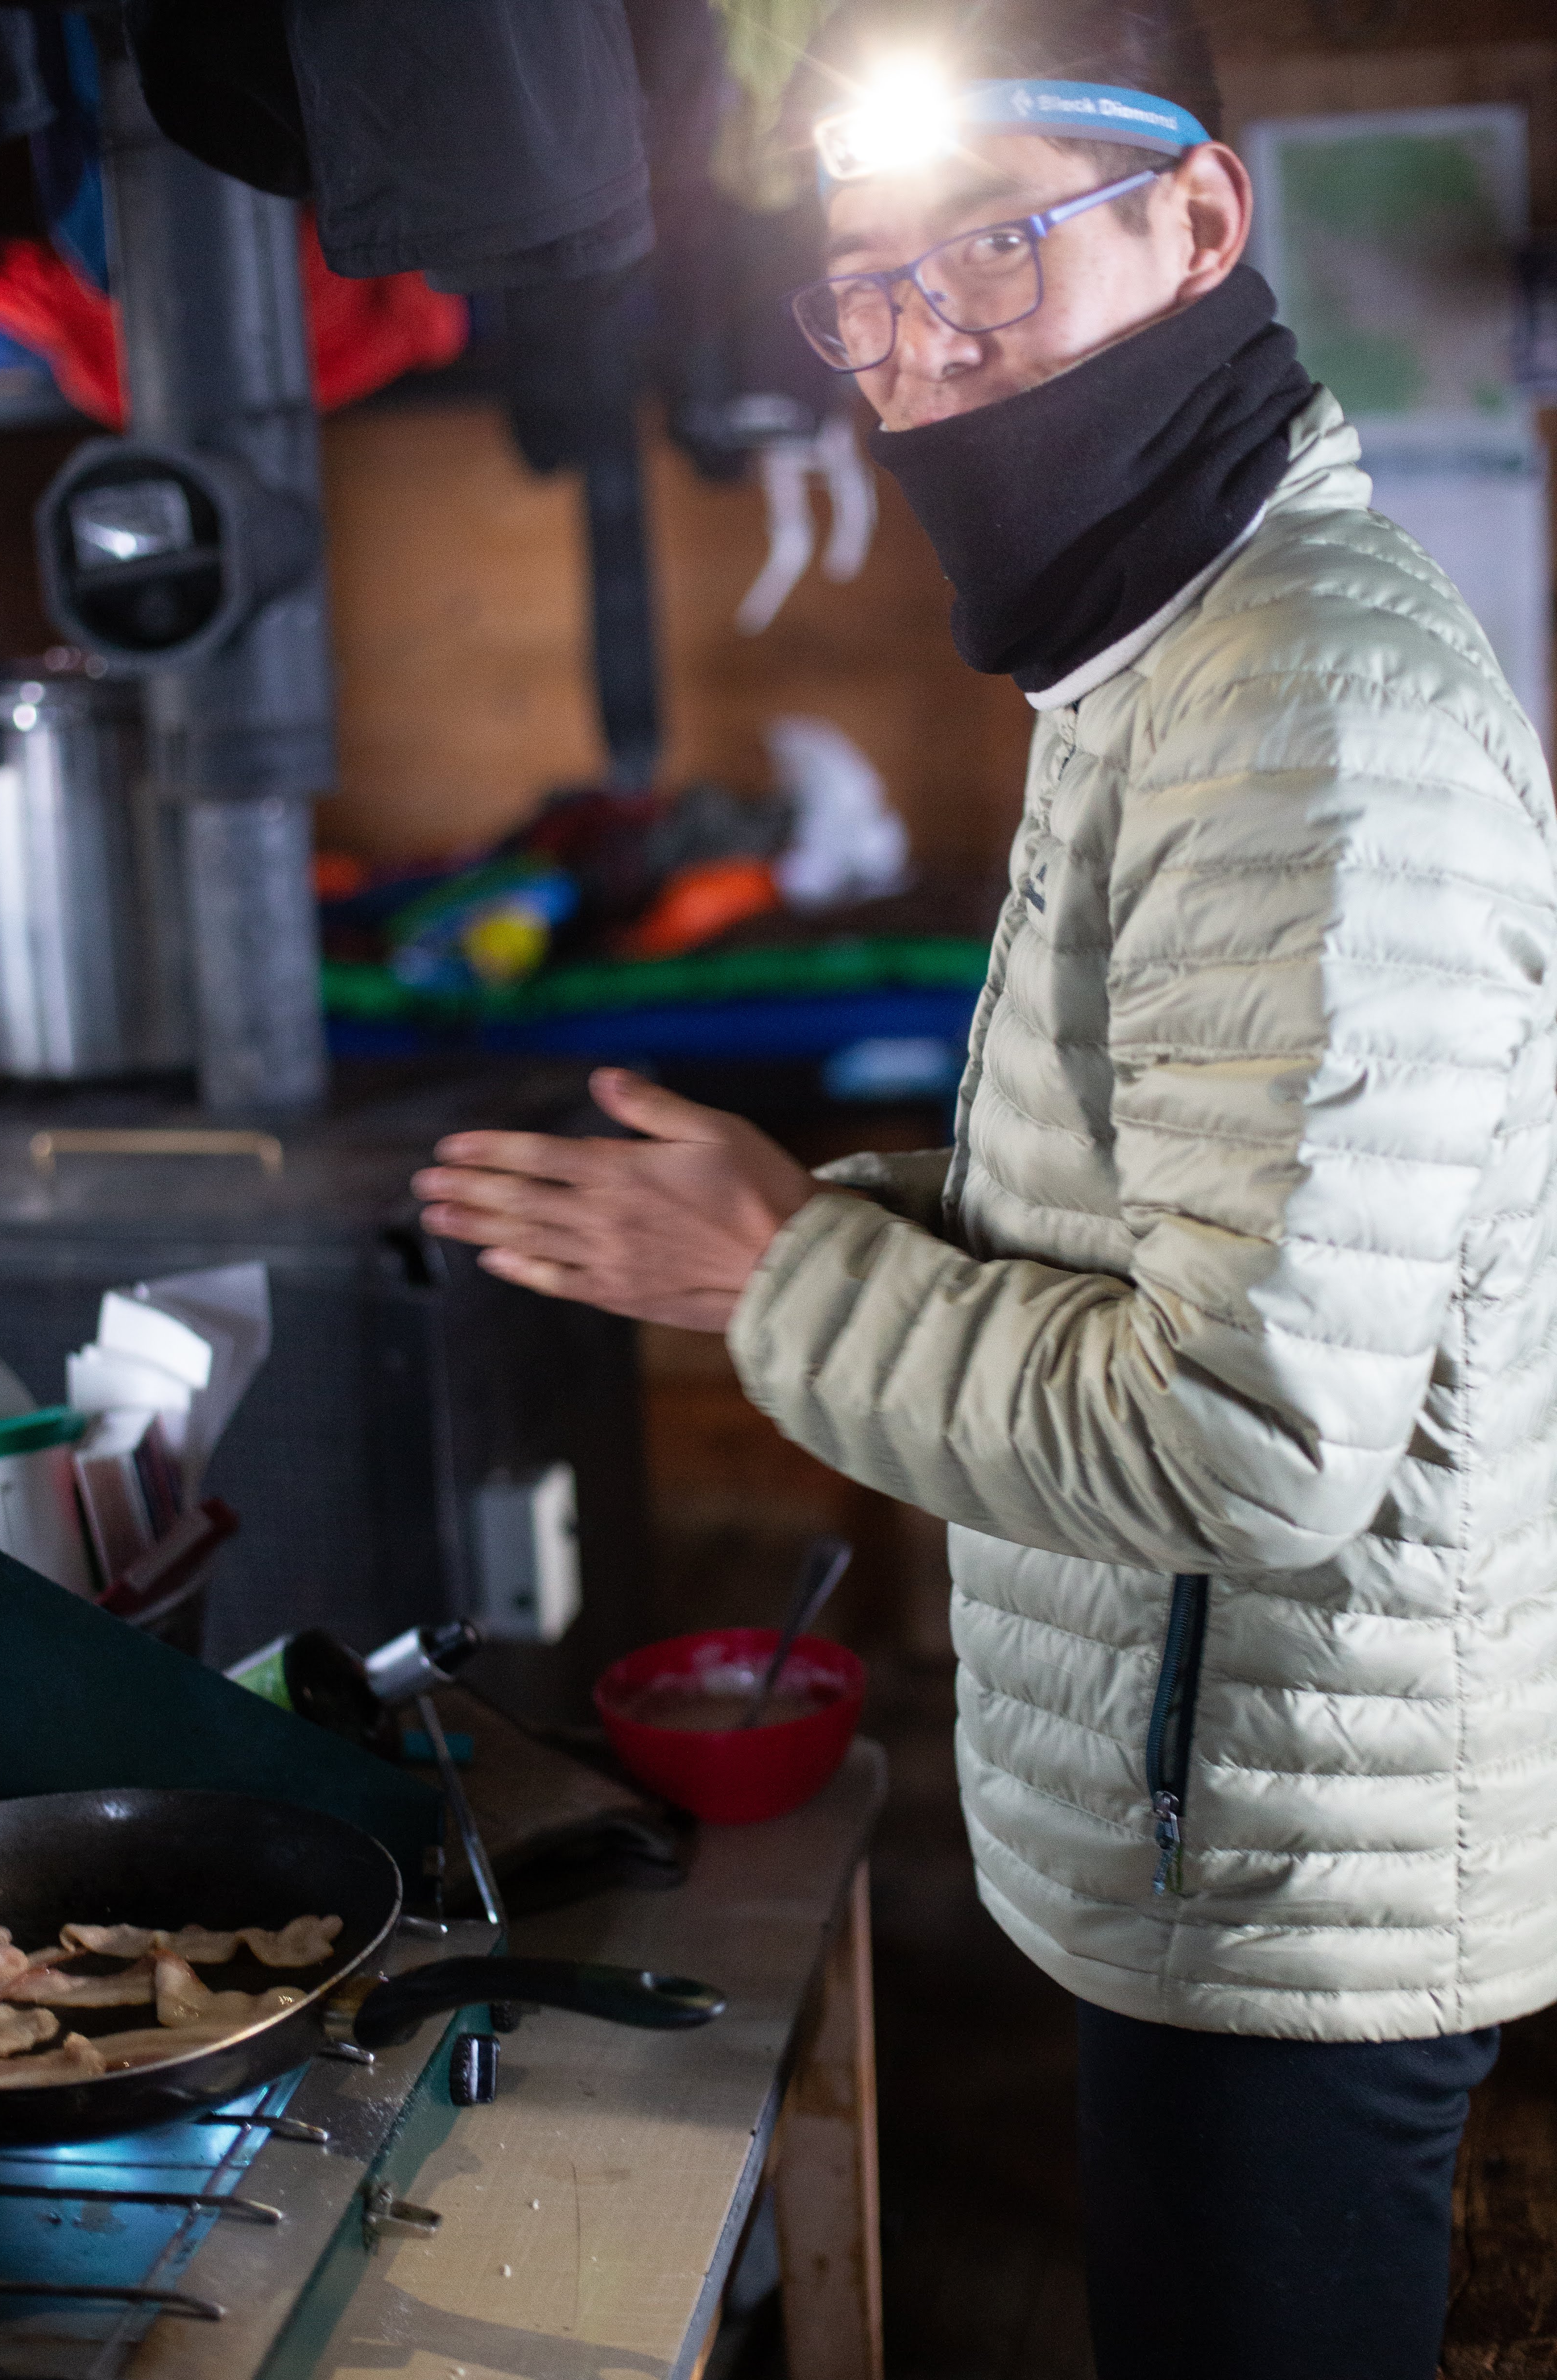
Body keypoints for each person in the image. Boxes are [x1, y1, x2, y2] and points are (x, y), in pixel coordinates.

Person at [411, 4, 1557, 2372]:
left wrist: (778, 1272)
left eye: (998, 248)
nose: (921, 347)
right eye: (863, 287)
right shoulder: (1154, 654)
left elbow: (1241, 1432)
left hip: (1287, 1883)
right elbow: (1152, 1203)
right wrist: (810, 1216)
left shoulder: (1293, 706)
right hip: (1212, 1844)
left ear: (1203, 221)